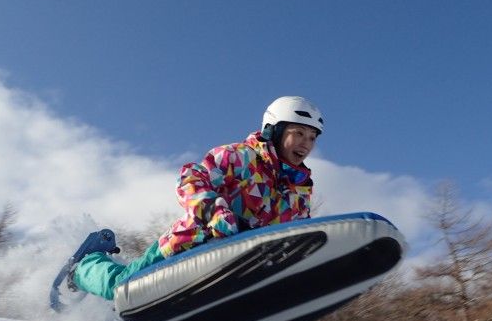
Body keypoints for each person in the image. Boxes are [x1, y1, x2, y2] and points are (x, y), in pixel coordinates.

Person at [69, 95, 324, 300]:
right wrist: (214, 210)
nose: (306, 143)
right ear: (275, 130)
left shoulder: (299, 191)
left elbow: (295, 233)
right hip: (187, 246)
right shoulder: (240, 157)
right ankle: (84, 267)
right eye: (298, 133)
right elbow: (192, 178)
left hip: (234, 268)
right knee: (122, 290)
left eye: (312, 137)